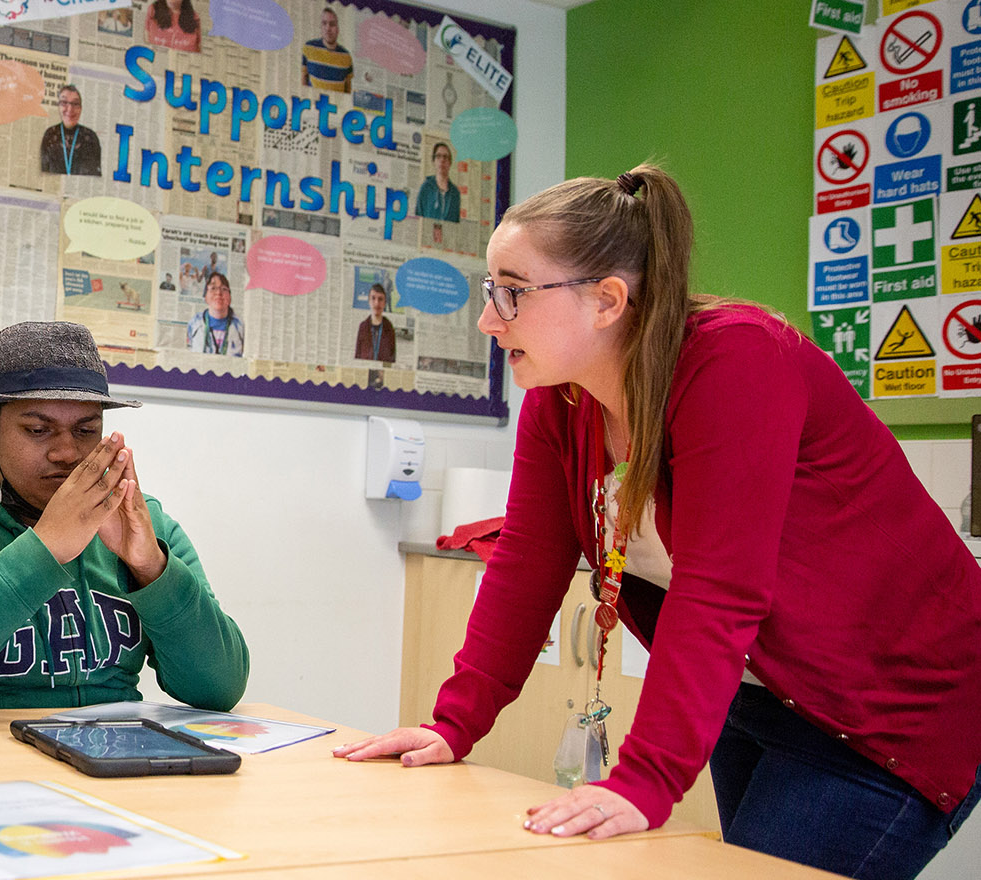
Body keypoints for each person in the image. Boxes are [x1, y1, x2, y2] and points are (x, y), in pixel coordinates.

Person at [331, 165, 981, 880]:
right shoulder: (562, 398)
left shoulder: (737, 361)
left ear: (607, 300)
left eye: (512, 292)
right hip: (761, 694)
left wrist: (645, 779)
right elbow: (527, 565)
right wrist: (453, 724)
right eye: (491, 290)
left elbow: (719, 589)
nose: (489, 319)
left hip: (897, 704)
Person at [0, 321, 249, 716]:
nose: (66, 453)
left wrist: (152, 569)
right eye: (38, 430)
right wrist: (43, 550)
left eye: (86, 430)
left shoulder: (145, 524)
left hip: (107, 748)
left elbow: (219, 690)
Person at [39, 84, 102, 176]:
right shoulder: (50, 134)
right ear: (58, 106)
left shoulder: (90, 137)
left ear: (80, 108)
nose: (70, 109)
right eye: (64, 102)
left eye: (75, 104)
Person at [186, 271, 245, 356]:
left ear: (230, 297)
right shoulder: (194, 323)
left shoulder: (241, 326)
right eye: (213, 288)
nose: (218, 293)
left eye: (224, 289)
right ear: (205, 296)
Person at [303, 6, 354, 93]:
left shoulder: (347, 56)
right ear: (320, 27)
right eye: (324, 23)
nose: (328, 28)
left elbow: (348, 89)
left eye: (332, 24)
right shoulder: (309, 48)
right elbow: (303, 79)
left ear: (338, 29)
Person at [417, 142, 462, 223]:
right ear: (433, 161)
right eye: (438, 156)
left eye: (445, 157)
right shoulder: (426, 188)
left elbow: (456, 222)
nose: (442, 160)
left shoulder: (455, 193)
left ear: (450, 163)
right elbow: (418, 216)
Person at [354, 283, 397, 363]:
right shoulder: (363, 327)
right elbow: (357, 355)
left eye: (380, 299)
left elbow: (393, 358)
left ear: (385, 303)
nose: (377, 303)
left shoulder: (390, 328)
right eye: (373, 298)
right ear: (369, 301)